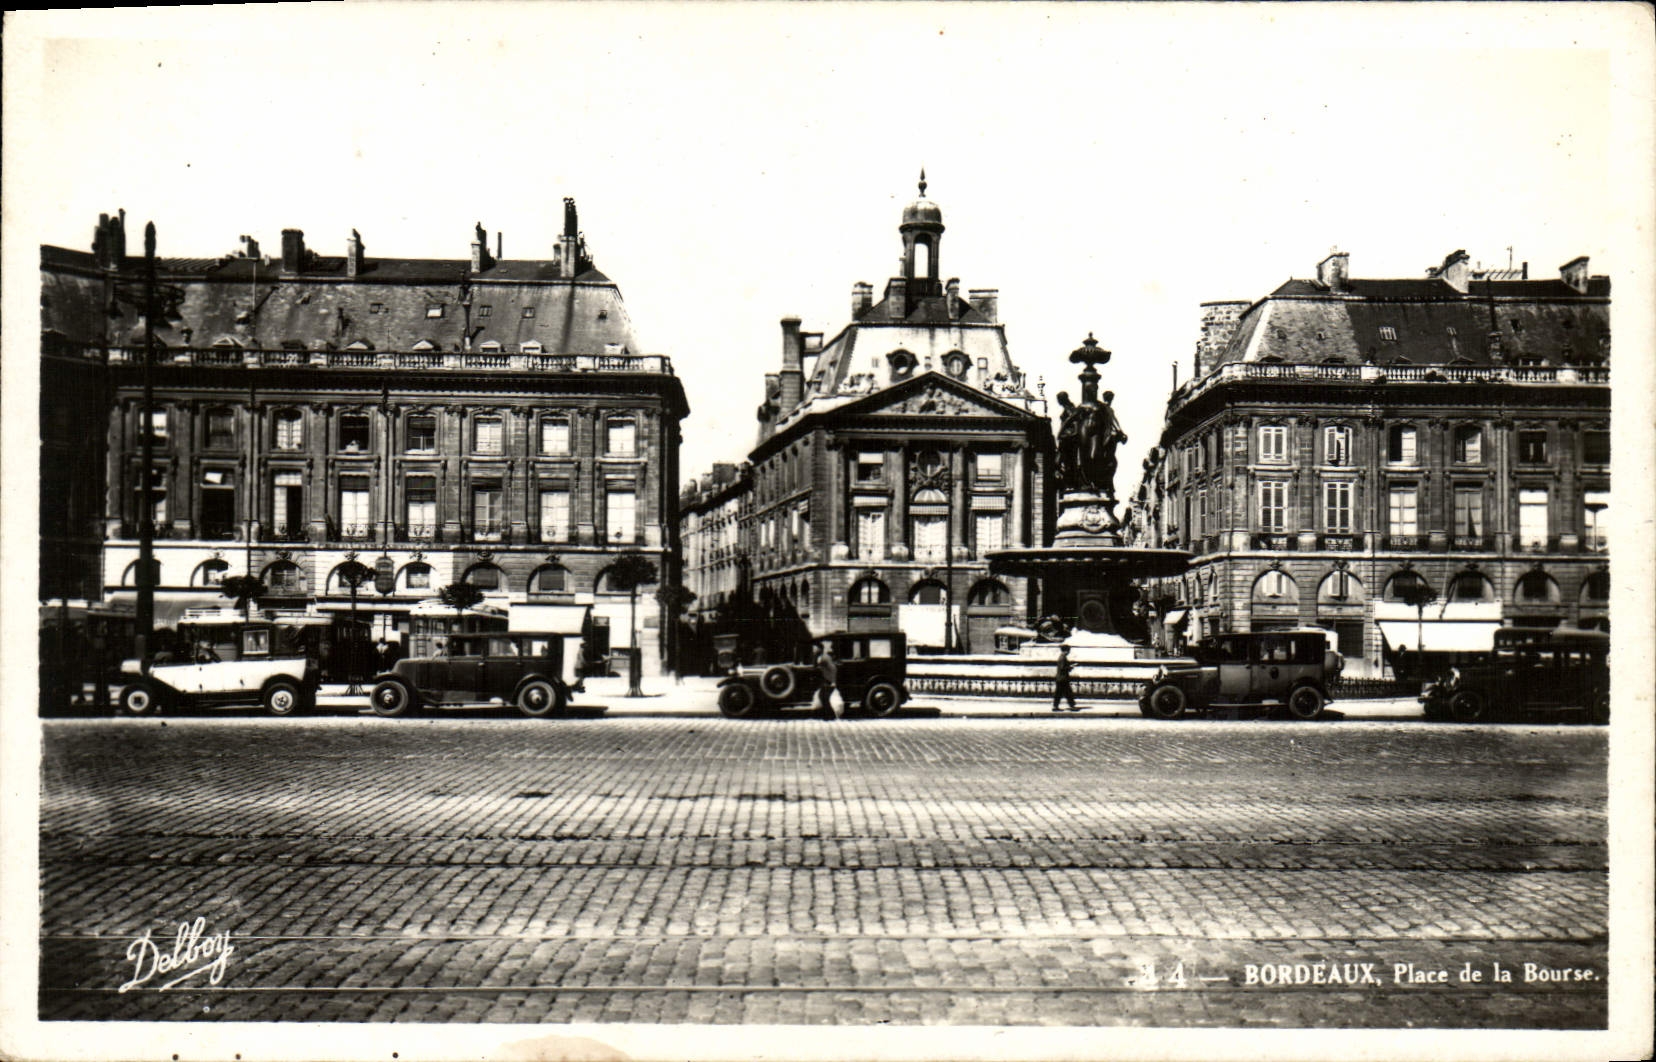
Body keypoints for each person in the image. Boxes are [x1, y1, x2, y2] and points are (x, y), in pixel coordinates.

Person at [814, 644, 841, 721]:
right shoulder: (820, 657)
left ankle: (830, 716)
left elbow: (833, 669)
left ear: (820, 649)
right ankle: (829, 716)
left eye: (816, 648)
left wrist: (833, 681)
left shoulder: (825, 658)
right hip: (826, 680)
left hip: (828, 680)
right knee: (823, 697)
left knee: (824, 697)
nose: (814, 649)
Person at [1052, 644, 1079, 712]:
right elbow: (1063, 668)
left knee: (1059, 693)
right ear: (1066, 651)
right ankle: (1072, 706)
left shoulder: (1062, 657)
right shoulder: (1063, 658)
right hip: (1063, 678)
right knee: (1068, 693)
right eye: (1068, 651)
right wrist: (1071, 667)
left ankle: (1055, 706)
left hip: (1060, 678)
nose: (1069, 652)